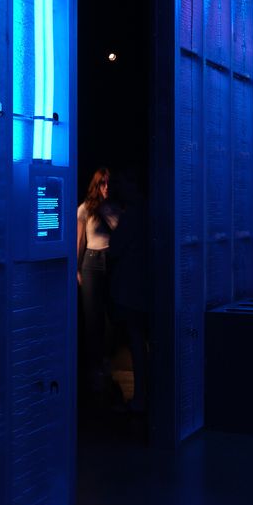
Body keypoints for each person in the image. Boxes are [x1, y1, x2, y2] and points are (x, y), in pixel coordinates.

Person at [106, 172, 152, 415]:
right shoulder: (154, 211)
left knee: (136, 341)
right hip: (148, 285)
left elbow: (114, 250)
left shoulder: (131, 215)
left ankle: (141, 397)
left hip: (131, 288)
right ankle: (152, 394)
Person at [77, 167, 120, 400]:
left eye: (109, 183)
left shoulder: (115, 207)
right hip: (92, 261)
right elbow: (80, 239)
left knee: (111, 317)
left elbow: (122, 234)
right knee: (92, 317)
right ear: (96, 185)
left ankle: (105, 364)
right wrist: (76, 268)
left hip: (111, 261)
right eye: (102, 183)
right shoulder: (85, 209)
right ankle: (94, 369)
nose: (106, 187)